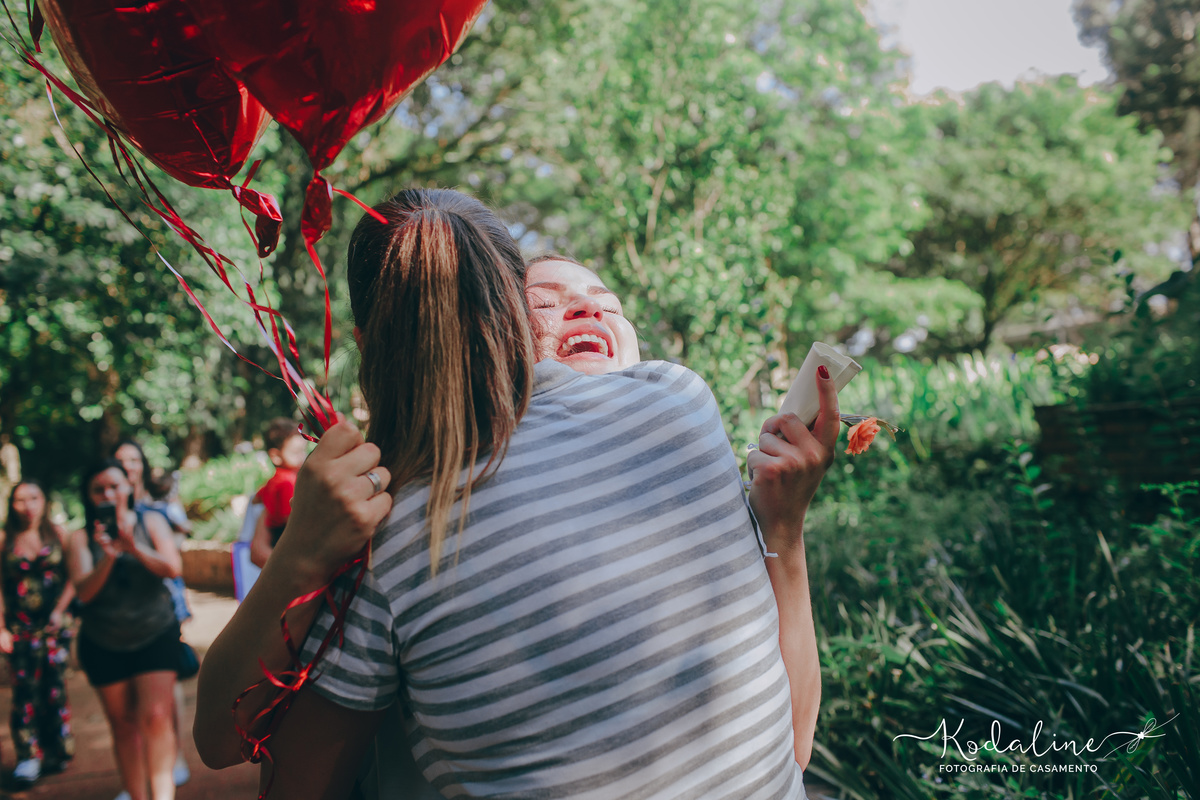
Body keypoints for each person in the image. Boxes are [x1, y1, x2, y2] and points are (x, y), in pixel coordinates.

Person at [194, 188, 834, 799]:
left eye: (606, 302)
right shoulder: (679, 399)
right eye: (548, 302)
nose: (590, 310)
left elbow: (258, 765)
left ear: (369, 344)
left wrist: (784, 528)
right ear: (503, 328)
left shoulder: (390, 528)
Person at [67, 460, 184, 800]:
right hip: (103, 641)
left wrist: (132, 546)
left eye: (114, 486)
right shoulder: (79, 537)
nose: (108, 494)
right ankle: (137, 795)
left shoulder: (151, 521)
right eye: (98, 489)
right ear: (88, 496)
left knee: (157, 719)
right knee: (124, 726)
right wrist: (109, 555)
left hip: (155, 633)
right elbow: (84, 593)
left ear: (129, 488)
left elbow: (172, 568)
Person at [113, 439, 193, 791]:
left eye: (134, 459)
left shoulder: (161, 506)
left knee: (166, 689)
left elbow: (176, 554)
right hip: (123, 609)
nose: (128, 466)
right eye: (121, 461)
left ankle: (172, 756)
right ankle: (143, 772)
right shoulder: (105, 505)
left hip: (164, 601)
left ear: (142, 465)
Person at [0, 481, 75, 789]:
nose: (28, 505)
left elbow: (74, 577)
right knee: (24, 692)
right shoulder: (5, 540)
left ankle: (58, 750)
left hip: (55, 628)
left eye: (34, 497)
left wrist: (60, 609)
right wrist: (1, 628)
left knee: (54, 688)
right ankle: (28, 755)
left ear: (44, 501)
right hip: (19, 630)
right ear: (12, 504)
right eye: (20, 500)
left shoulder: (58, 535)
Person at [249, 418, 309, 568]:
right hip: (285, 537)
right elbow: (291, 519)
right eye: (296, 452)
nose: (302, 457)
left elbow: (257, 499)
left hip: (272, 536)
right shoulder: (288, 481)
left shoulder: (273, 480)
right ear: (275, 456)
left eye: (303, 451)